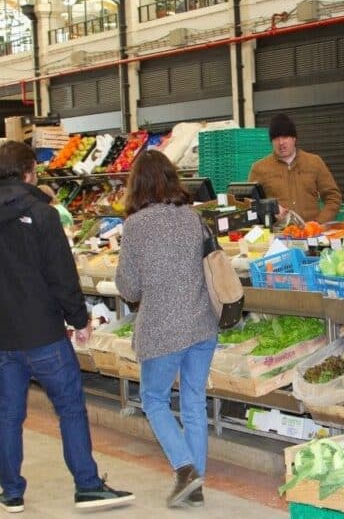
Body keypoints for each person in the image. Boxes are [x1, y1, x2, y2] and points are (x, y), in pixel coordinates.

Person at [0, 141, 134, 513]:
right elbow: (61, 275)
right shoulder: (42, 215)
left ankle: (11, 492)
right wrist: (80, 319)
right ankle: (87, 486)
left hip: (3, 339)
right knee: (69, 408)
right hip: (45, 336)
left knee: (9, 413)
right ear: (29, 173)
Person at [115, 150, 219, 509]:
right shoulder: (192, 218)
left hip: (162, 329)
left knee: (154, 400)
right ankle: (196, 484)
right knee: (193, 403)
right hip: (203, 324)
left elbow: (128, 288)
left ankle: (185, 469)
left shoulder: (135, 226)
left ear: (137, 184)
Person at [248, 113, 343, 223]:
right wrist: (269, 210)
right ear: (271, 142)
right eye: (276, 138)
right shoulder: (259, 168)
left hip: (312, 234)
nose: (281, 142)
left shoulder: (314, 162)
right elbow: (250, 204)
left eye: (285, 137)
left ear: (294, 138)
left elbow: (333, 197)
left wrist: (318, 223)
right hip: (277, 236)